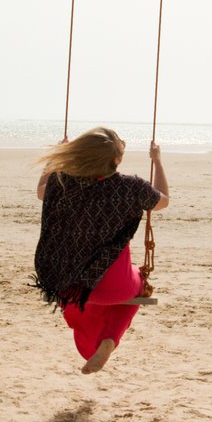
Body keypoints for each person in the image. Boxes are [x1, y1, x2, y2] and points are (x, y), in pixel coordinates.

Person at [33, 127, 169, 374]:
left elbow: (42, 187)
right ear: (116, 160)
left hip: (70, 284)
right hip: (116, 286)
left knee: (81, 303)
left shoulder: (60, 182)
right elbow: (164, 199)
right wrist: (157, 162)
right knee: (140, 285)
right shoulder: (132, 188)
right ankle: (110, 338)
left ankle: (103, 339)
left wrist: (55, 158)